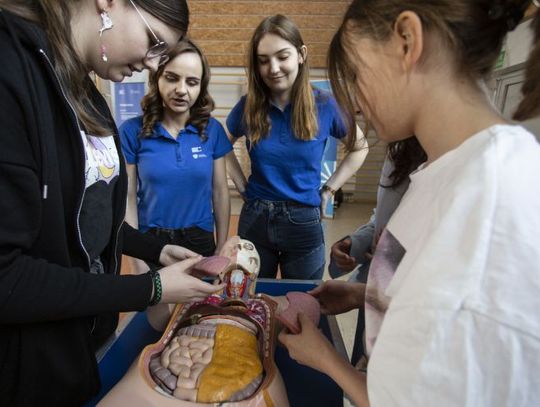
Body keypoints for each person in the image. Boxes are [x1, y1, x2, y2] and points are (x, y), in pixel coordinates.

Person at [279, 1, 540, 406]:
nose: (355, 103)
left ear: (406, 41)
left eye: (355, 72)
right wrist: (367, 295)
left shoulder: (487, 203)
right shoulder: (445, 171)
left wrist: (328, 361)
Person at [0, 1, 224, 405]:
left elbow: (82, 214)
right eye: (155, 42)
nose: (155, 65)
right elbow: (7, 276)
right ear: (107, 3)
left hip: (80, 342)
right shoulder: (12, 71)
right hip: (25, 367)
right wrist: (149, 287)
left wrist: (154, 249)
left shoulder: (83, 87)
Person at [225, 14, 369, 280]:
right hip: (256, 218)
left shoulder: (326, 104)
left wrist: (330, 188)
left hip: (303, 221)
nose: (274, 68)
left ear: (301, 55)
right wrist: (240, 184)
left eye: (283, 56)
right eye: (264, 60)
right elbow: (221, 145)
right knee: (252, 300)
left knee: (304, 301)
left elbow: (360, 148)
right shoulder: (248, 106)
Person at [120, 38, 232, 274]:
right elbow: (128, 196)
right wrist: (136, 257)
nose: (181, 90)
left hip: (199, 240)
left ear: (201, 87)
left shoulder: (212, 131)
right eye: (172, 78)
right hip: (151, 240)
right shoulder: (132, 131)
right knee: (160, 311)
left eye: (192, 82)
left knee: (198, 310)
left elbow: (220, 191)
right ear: (157, 78)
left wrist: (221, 245)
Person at [328, 137, 426, 365]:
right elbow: (382, 217)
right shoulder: (400, 151)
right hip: (373, 292)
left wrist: (392, 257)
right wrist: (355, 243)